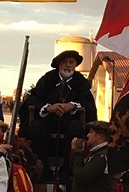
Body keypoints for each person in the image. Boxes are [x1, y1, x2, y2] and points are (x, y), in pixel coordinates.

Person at [20, 50, 97, 178]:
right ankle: (42, 169)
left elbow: (88, 105)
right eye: (64, 62)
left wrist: (73, 105)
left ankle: (68, 169)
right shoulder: (47, 79)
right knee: (36, 128)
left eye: (71, 62)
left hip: (71, 120)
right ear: (59, 65)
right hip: (48, 119)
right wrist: (49, 107)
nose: (67, 65)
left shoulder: (81, 82)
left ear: (75, 65)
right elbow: (32, 99)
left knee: (75, 128)